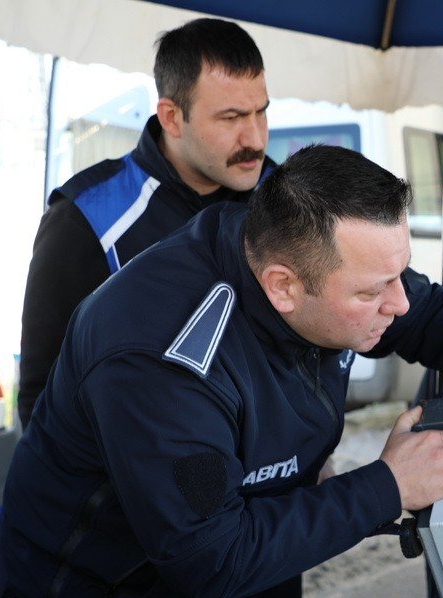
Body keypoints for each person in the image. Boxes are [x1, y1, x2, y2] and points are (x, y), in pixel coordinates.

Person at [0, 145, 443, 598]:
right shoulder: (158, 356)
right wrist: (389, 484)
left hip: (251, 567)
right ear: (283, 286)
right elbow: (211, 558)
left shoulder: (300, 256)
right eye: (370, 292)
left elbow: (426, 311)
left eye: (397, 275)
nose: (399, 302)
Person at [17, 18, 275, 429]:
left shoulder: (286, 200)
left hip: (276, 480)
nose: (256, 139)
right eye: (231, 118)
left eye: (261, 112)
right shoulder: (88, 215)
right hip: (141, 482)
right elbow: (43, 395)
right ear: (172, 117)